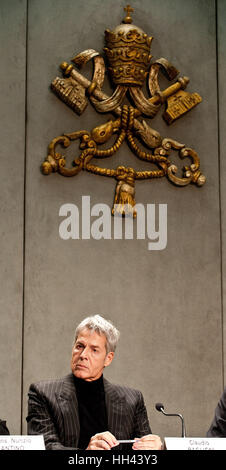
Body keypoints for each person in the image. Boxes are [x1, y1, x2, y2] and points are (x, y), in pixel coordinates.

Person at [27, 314, 162, 450]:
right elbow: (46, 446)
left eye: (94, 350)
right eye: (80, 346)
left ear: (108, 359)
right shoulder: (43, 394)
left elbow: (145, 452)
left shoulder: (132, 400)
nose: (83, 355)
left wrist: (157, 447)